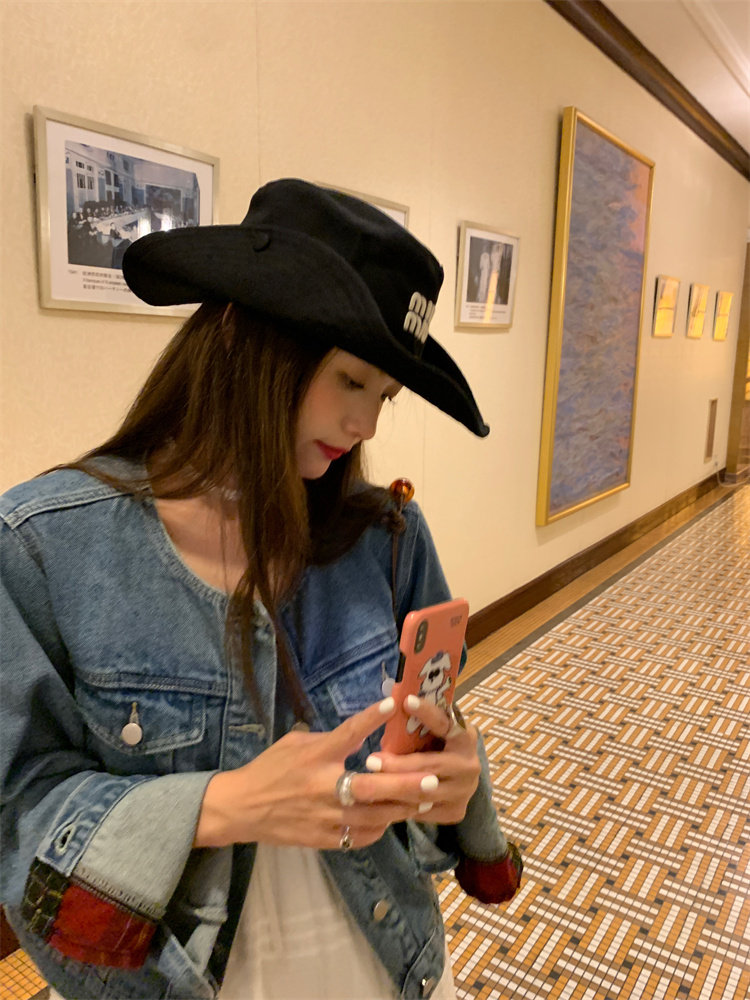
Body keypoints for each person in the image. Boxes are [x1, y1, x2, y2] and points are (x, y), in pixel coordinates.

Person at [1, 179, 522, 1000]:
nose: (366, 426)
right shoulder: (44, 546)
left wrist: (451, 776)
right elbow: (20, 804)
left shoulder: (386, 537)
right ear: (244, 338)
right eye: (350, 380)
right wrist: (230, 803)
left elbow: (428, 729)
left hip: (390, 961)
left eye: (384, 397)